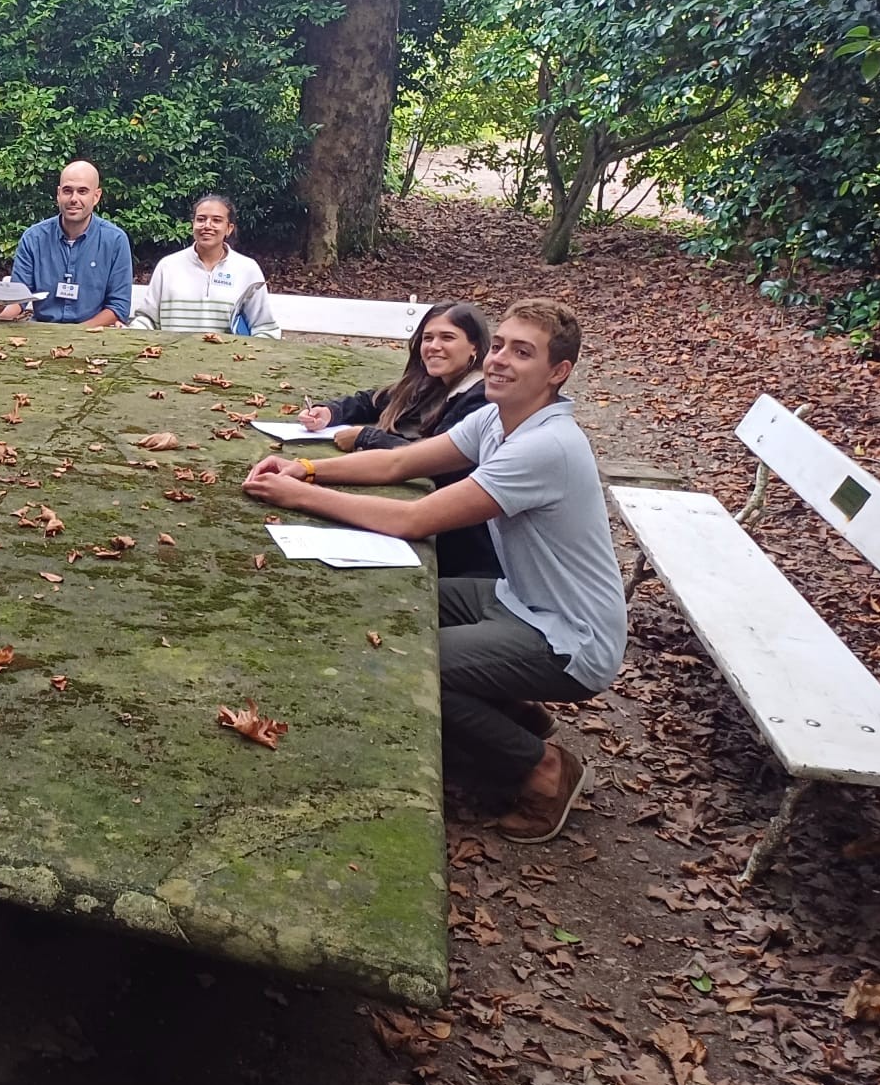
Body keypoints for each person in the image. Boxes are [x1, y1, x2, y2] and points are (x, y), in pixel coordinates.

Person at [242, 299, 625, 845]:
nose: (500, 361)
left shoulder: (546, 446)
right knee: (393, 602)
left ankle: (543, 771)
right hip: (516, 597)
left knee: (413, 666)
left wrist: (300, 497)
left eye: (523, 353)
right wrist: (306, 465)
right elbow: (403, 462)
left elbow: (414, 518)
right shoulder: (497, 417)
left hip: (568, 635)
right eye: (499, 347)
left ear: (557, 373)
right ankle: (513, 711)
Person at [296, 301, 500, 578]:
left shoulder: (479, 399)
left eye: (447, 337)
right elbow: (373, 400)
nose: (434, 346)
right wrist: (330, 412)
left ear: (475, 346)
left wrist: (366, 437)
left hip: (463, 552)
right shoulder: (427, 383)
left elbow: (432, 460)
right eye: (428, 338)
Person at [0, 160, 132, 327]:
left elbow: (118, 308)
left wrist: (78, 333)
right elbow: (18, 301)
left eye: (82, 191)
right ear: (58, 194)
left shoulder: (115, 241)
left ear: (96, 196)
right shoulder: (34, 238)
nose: (74, 199)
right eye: (67, 191)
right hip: (41, 334)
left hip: (94, 335)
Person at [130, 193, 281, 336]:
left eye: (216, 220)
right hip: (173, 359)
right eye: (201, 219)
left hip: (227, 361)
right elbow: (148, 320)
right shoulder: (168, 266)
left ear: (229, 229)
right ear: (193, 225)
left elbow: (264, 328)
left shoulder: (247, 269)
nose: (207, 225)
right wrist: (127, 333)